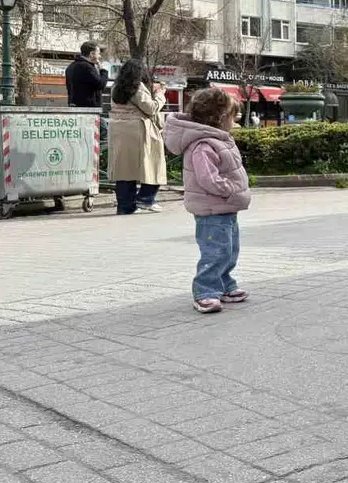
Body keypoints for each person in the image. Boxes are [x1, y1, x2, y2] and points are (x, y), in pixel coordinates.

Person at [163, 88, 251, 314]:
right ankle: (205, 291)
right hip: (213, 207)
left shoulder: (217, 140)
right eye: (233, 115)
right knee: (215, 251)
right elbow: (207, 178)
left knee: (230, 249)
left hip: (225, 207)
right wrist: (229, 189)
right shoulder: (204, 144)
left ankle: (224, 284)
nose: (235, 120)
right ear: (219, 117)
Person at [109, 59, 167, 215]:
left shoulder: (116, 87)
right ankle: (145, 199)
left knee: (124, 170)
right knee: (154, 164)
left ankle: (125, 206)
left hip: (118, 130)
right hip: (137, 130)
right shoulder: (137, 87)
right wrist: (160, 95)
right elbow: (151, 108)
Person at [65, 41, 107, 108]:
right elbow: (101, 85)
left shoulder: (71, 66)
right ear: (92, 54)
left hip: (74, 107)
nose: (99, 56)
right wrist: (103, 71)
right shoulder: (87, 67)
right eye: (98, 53)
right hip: (88, 109)